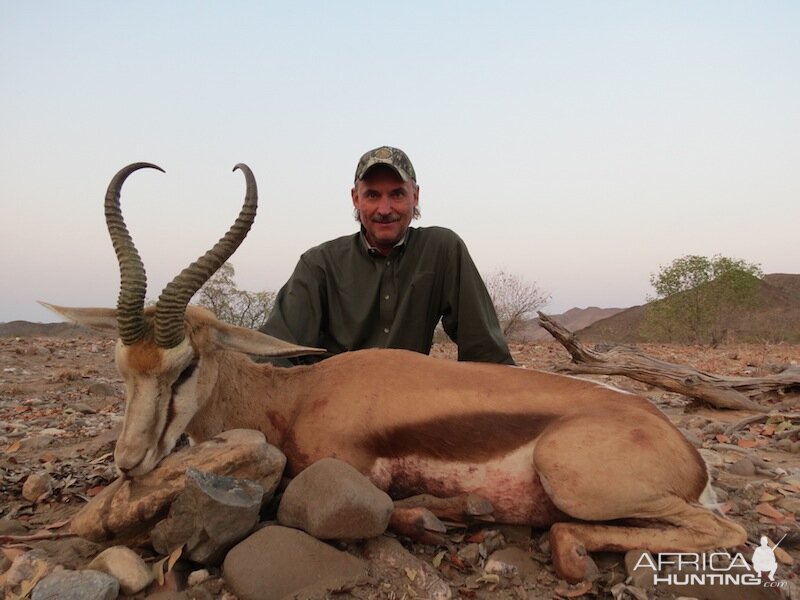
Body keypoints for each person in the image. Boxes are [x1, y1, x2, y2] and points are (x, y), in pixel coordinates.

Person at [261, 145, 514, 365]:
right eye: (372, 195)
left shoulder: (442, 249)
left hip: (406, 402)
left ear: (415, 196)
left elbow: (486, 353)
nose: (384, 209)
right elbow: (272, 353)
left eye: (397, 194)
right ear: (355, 198)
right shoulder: (319, 264)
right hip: (333, 404)